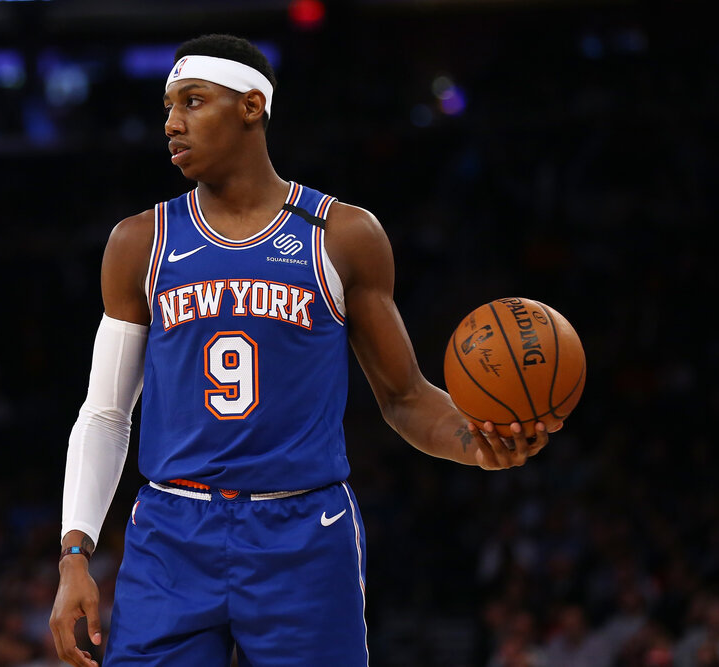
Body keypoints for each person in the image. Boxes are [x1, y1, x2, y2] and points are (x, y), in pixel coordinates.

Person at [49, 33, 554, 667]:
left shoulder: (342, 235)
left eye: (193, 101)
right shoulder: (139, 241)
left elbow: (404, 397)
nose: (172, 124)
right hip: (172, 530)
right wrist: (75, 555)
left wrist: (472, 441)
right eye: (168, 107)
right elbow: (104, 414)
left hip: (304, 534)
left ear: (251, 106)